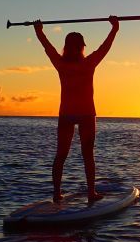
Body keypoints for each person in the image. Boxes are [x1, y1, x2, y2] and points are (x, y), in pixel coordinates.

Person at [33, 16, 119, 203]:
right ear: (81, 47)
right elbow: (105, 48)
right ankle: (90, 193)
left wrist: (39, 31)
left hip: (67, 114)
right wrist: (114, 28)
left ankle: (57, 194)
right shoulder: (88, 64)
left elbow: (48, 48)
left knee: (61, 155)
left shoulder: (61, 64)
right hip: (86, 114)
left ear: (66, 47)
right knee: (87, 154)